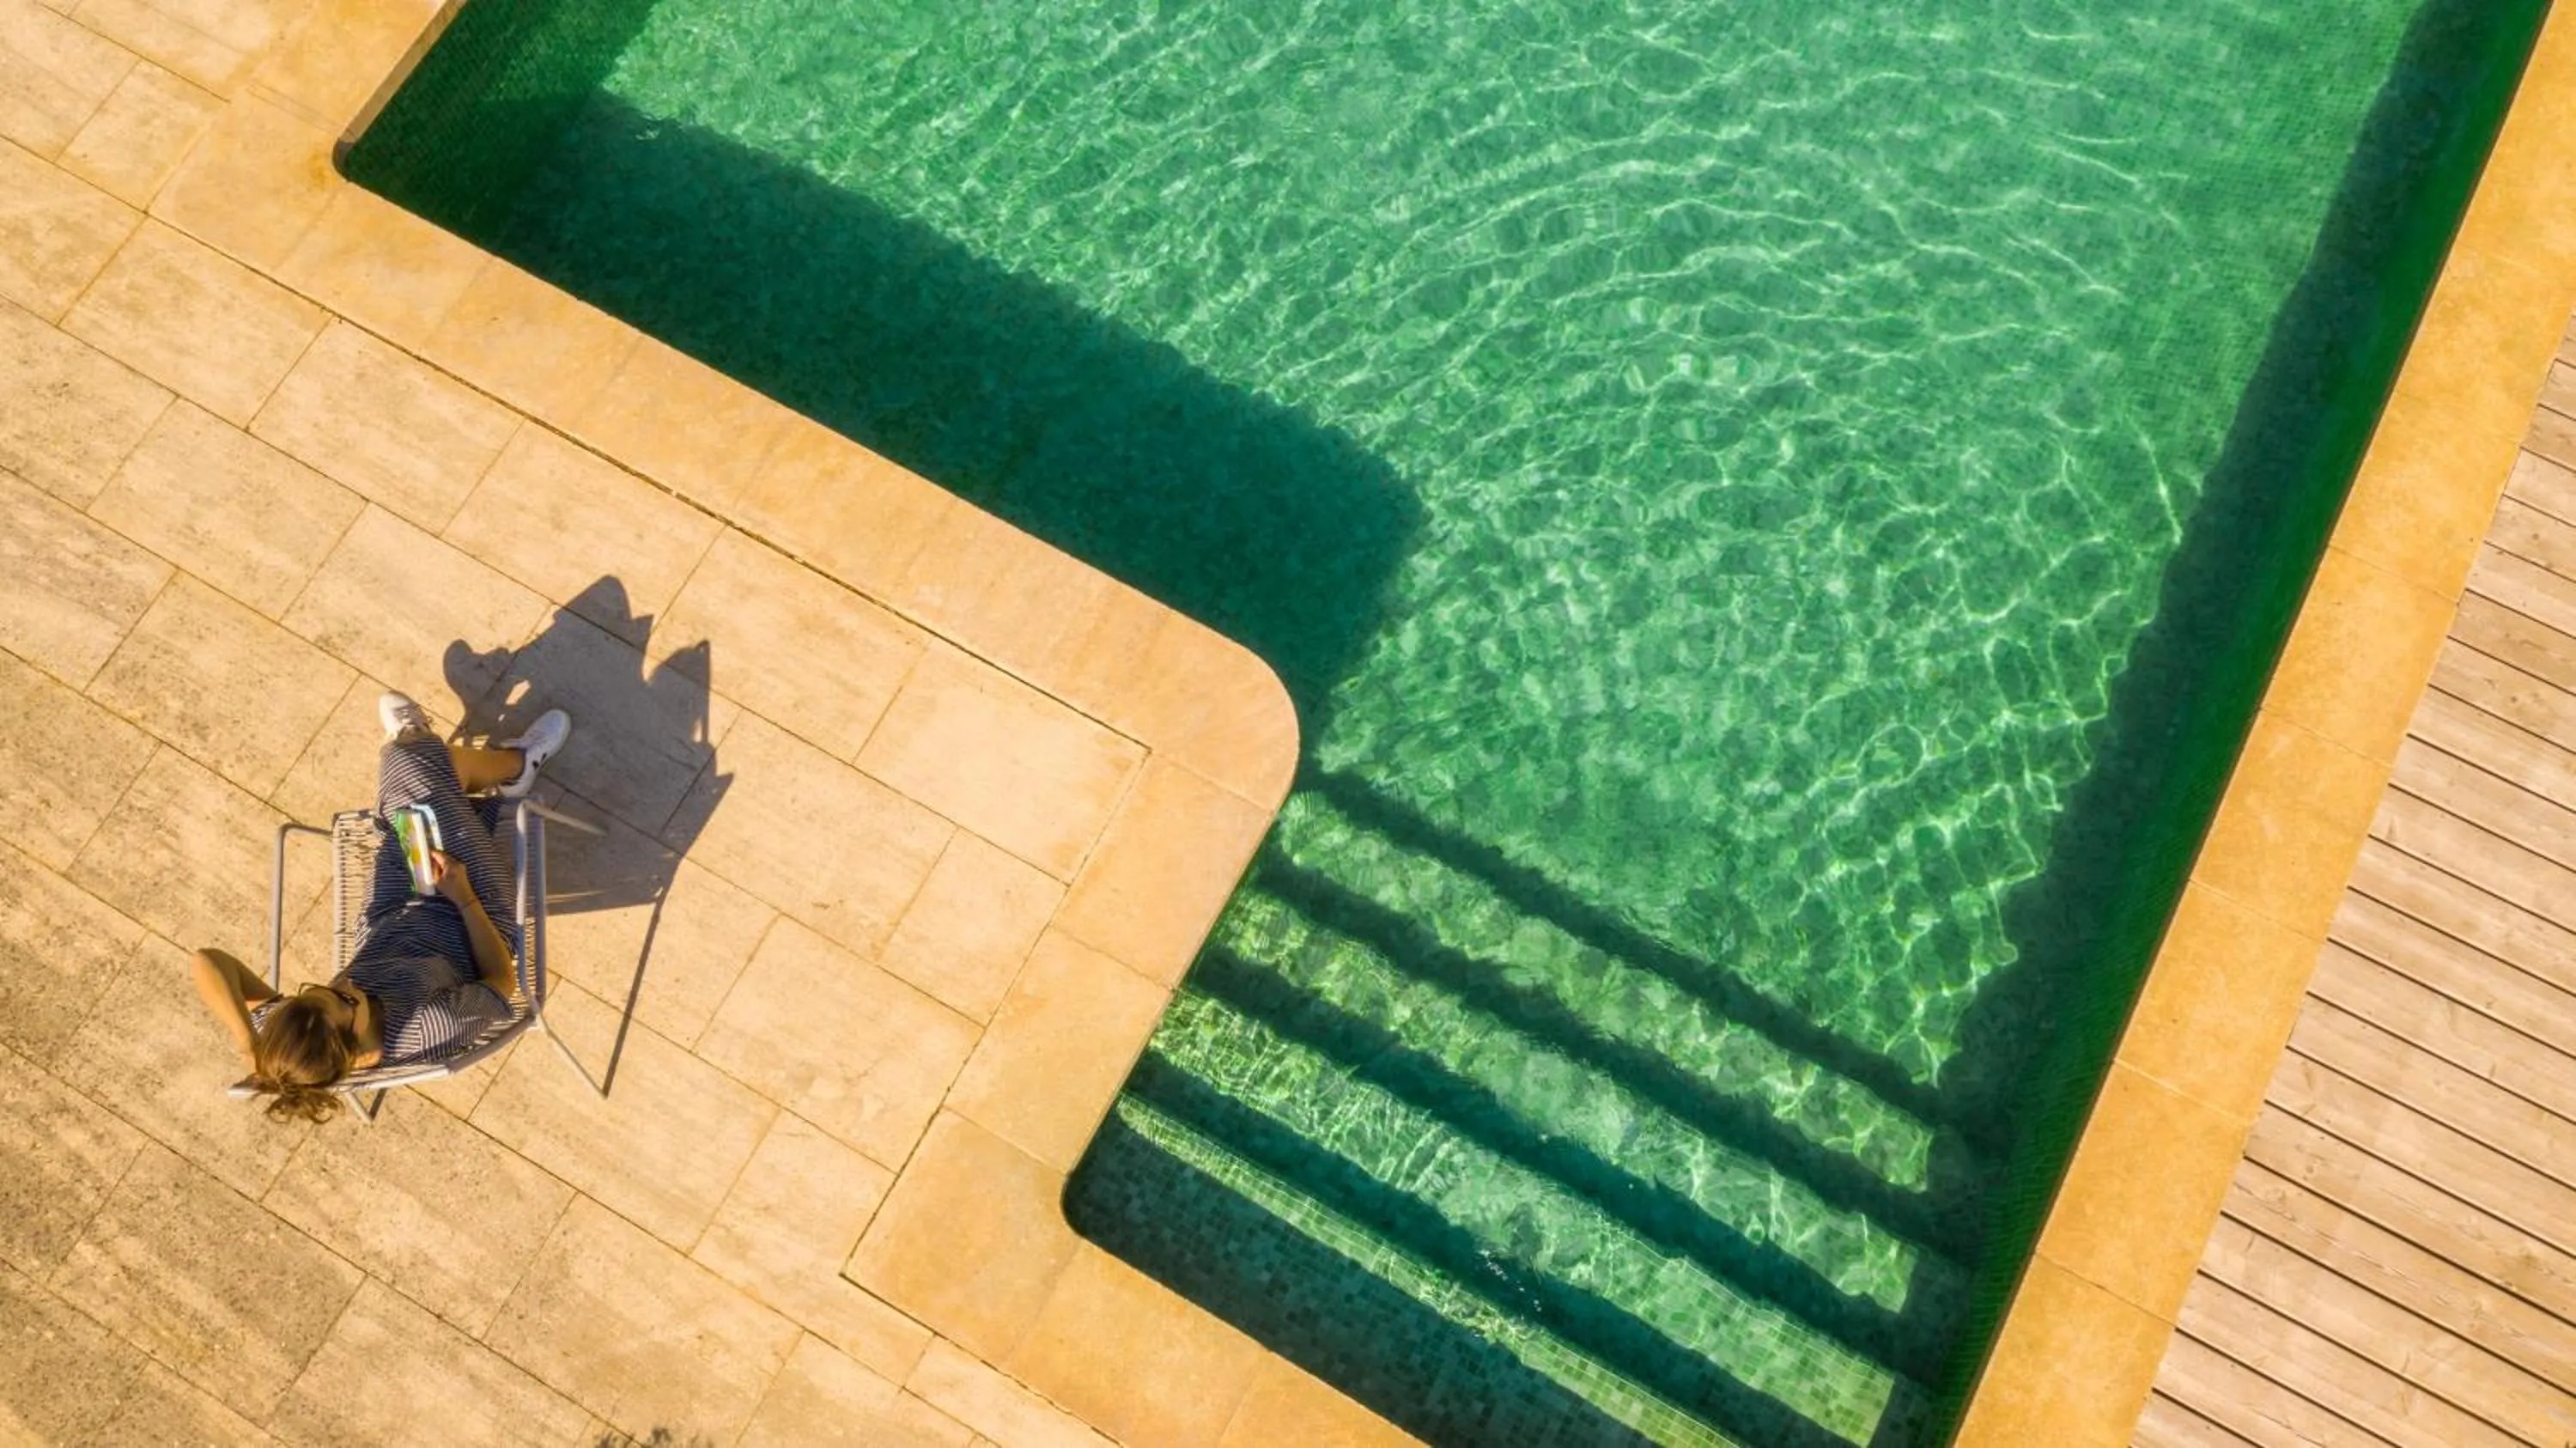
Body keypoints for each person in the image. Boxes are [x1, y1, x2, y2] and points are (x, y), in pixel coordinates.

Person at [190, 692, 571, 1123]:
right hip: (473, 918)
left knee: (417, 792)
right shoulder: (430, 1024)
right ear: (359, 1054)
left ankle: (452, 763)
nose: (344, 982)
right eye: (342, 998)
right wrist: (462, 895)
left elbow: (207, 961)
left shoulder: (302, 1028)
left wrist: (249, 1043)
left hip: (391, 912)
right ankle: (511, 764)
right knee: (413, 769)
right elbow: (502, 981)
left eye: (316, 987)